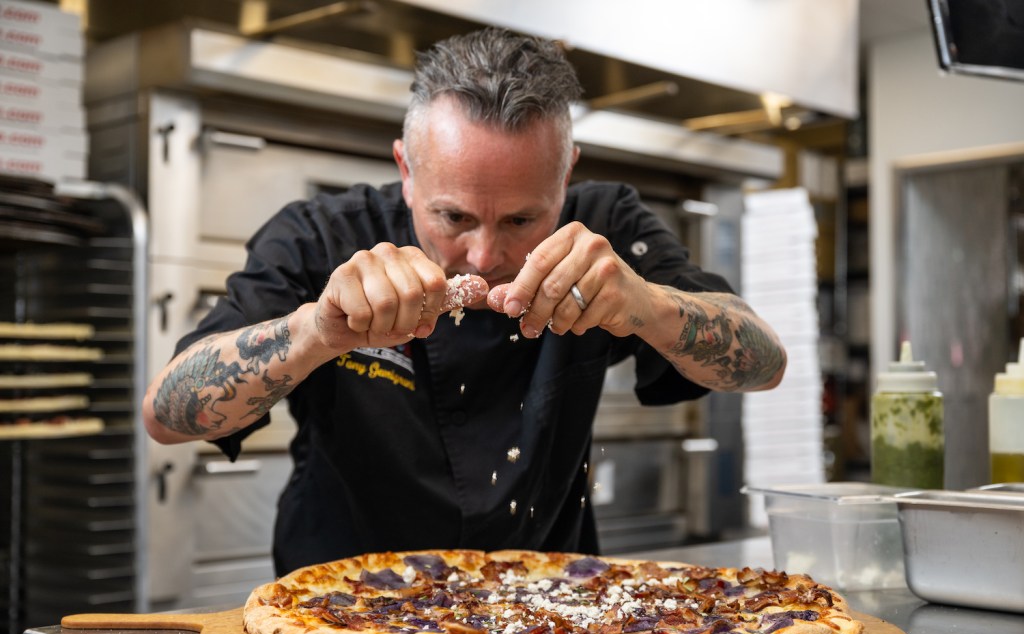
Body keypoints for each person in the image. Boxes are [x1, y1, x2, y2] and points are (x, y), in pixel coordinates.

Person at [143, 27, 786, 576]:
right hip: (342, 604)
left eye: (520, 220)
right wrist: (318, 331)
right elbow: (167, 416)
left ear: (565, 177)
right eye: (452, 217)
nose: (482, 257)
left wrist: (646, 305)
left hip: (548, 602)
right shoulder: (320, 237)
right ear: (406, 169)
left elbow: (765, 364)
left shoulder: (606, 230)